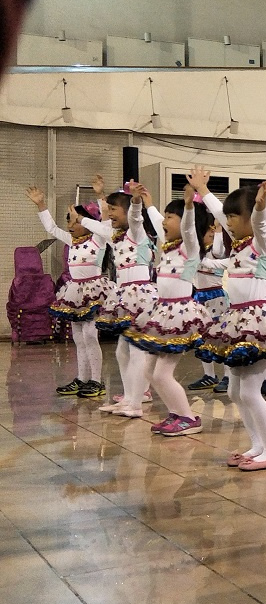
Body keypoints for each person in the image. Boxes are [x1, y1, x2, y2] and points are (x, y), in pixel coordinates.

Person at [196, 178, 266, 470]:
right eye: (227, 216)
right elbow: (226, 257)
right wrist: (204, 192)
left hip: (256, 321)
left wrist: (258, 209)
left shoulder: (263, 243)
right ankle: (258, 445)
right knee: (234, 392)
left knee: (249, 392)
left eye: (233, 216)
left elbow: (260, 225)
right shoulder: (239, 247)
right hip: (235, 319)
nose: (227, 221)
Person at [121, 182, 213, 433]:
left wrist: (188, 207)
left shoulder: (189, 248)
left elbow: (189, 229)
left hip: (179, 317)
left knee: (161, 374)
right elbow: (159, 221)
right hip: (162, 313)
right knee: (150, 371)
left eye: (170, 216)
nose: (164, 221)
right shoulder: (169, 246)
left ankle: (188, 418)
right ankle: (175, 413)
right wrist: (148, 203)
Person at [28, 188, 108, 398]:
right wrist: (41, 205)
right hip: (74, 292)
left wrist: (101, 197)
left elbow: (105, 224)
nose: (70, 226)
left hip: (94, 291)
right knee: (78, 337)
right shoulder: (72, 241)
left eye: (75, 221)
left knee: (91, 335)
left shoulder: (98, 239)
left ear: (88, 222)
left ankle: (97, 381)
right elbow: (51, 228)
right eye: (69, 222)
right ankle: (81, 379)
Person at [94, 182, 160, 411]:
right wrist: (99, 199)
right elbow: (100, 226)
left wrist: (134, 201)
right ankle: (130, 397)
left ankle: (138, 400)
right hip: (124, 294)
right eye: (109, 209)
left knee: (136, 349)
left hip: (140, 294)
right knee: (122, 351)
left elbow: (135, 217)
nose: (110, 213)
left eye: (114, 209)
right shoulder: (117, 237)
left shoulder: (137, 233)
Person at [189, 213, 229, 391]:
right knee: (202, 338)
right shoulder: (196, 252)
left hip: (216, 297)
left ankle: (228, 375)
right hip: (199, 296)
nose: (212, 237)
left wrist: (220, 229)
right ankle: (209, 375)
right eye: (209, 233)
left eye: (214, 234)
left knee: (221, 337)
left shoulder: (215, 253)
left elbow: (219, 248)